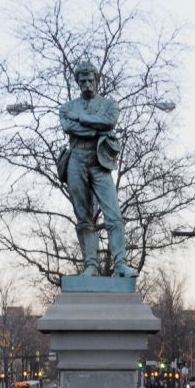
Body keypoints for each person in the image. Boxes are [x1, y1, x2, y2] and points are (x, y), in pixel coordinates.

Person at [58, 60, 135, 278]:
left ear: (97, 80)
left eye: (90, 79)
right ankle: (90, 265)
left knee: (113, 214)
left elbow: (109, 123)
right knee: (84, 216)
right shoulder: (67, 108)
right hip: (76, 160)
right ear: (77, 82)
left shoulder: (110, 105)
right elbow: (68, 126)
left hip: (100, 161)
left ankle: (121, 264)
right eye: (82, 81)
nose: (87, 84)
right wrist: (95, 127)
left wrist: (82, 120)